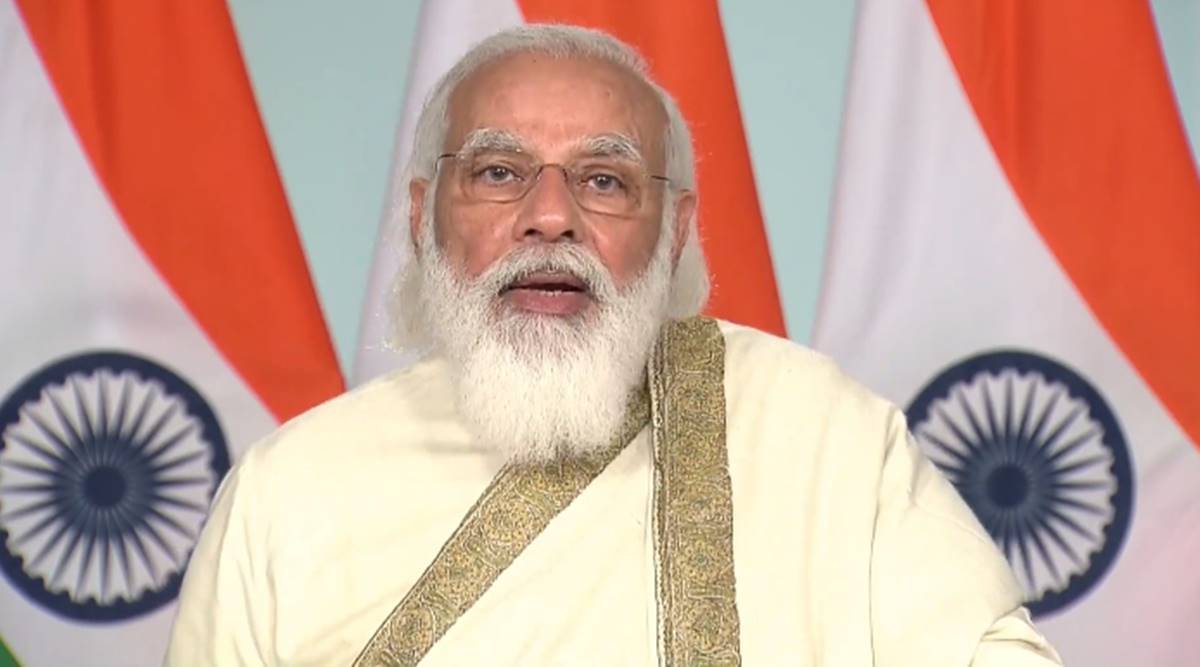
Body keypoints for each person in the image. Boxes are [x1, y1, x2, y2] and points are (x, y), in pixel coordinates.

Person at [166, 24, 1063, 666]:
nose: (550, 217)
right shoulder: (287, 494)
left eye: (604, 180)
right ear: (421, 216)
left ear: (673, 233)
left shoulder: (829, 440)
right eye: (498, 172)